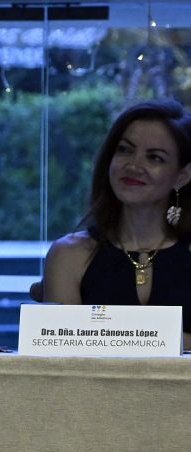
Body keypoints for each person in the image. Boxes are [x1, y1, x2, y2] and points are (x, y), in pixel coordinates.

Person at [41, 99, 191, 336]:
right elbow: (63, 355)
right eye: (124, 150)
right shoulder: (69, 255)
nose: (133, 165)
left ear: (181, 177)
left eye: (154, 158)